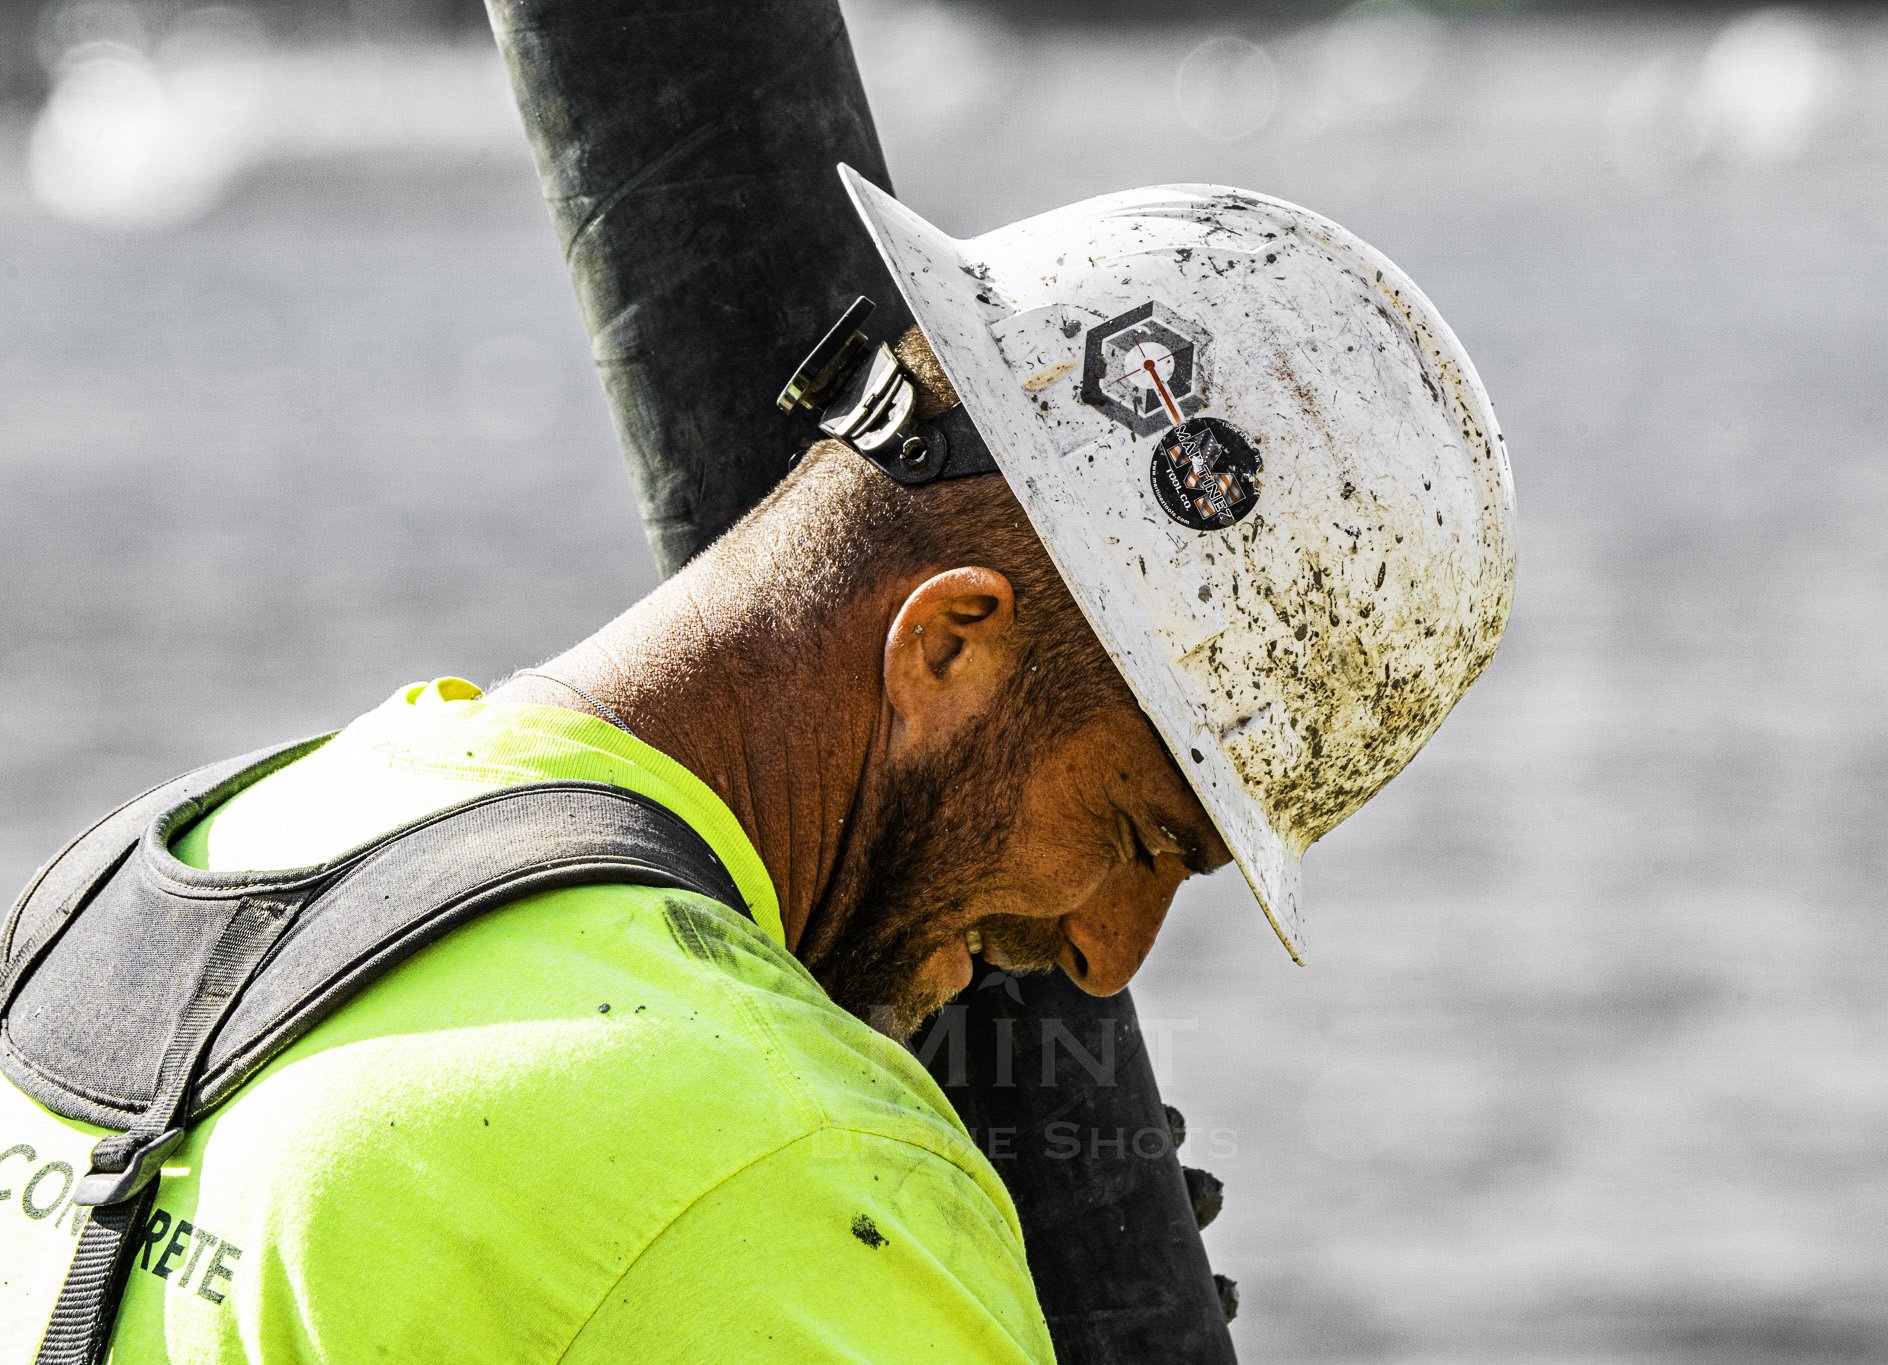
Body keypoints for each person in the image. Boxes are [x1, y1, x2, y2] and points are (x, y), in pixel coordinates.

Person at [0, 176, 1513, 1363]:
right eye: (1140, 836)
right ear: (950, 645)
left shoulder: (167, 864)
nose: (1110, 956)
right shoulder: (776, 1155)